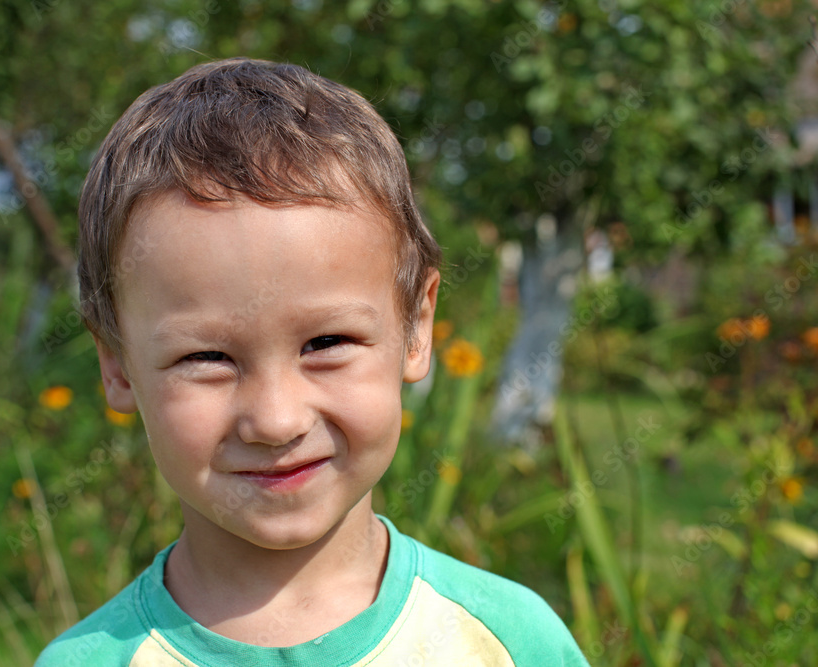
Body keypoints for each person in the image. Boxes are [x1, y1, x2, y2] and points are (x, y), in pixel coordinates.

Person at [35, 57, 588, 666]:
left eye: (326, 344)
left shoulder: (511, 643)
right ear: (117, 366)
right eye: (207, 357)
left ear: (416, 328)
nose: (276, 421)